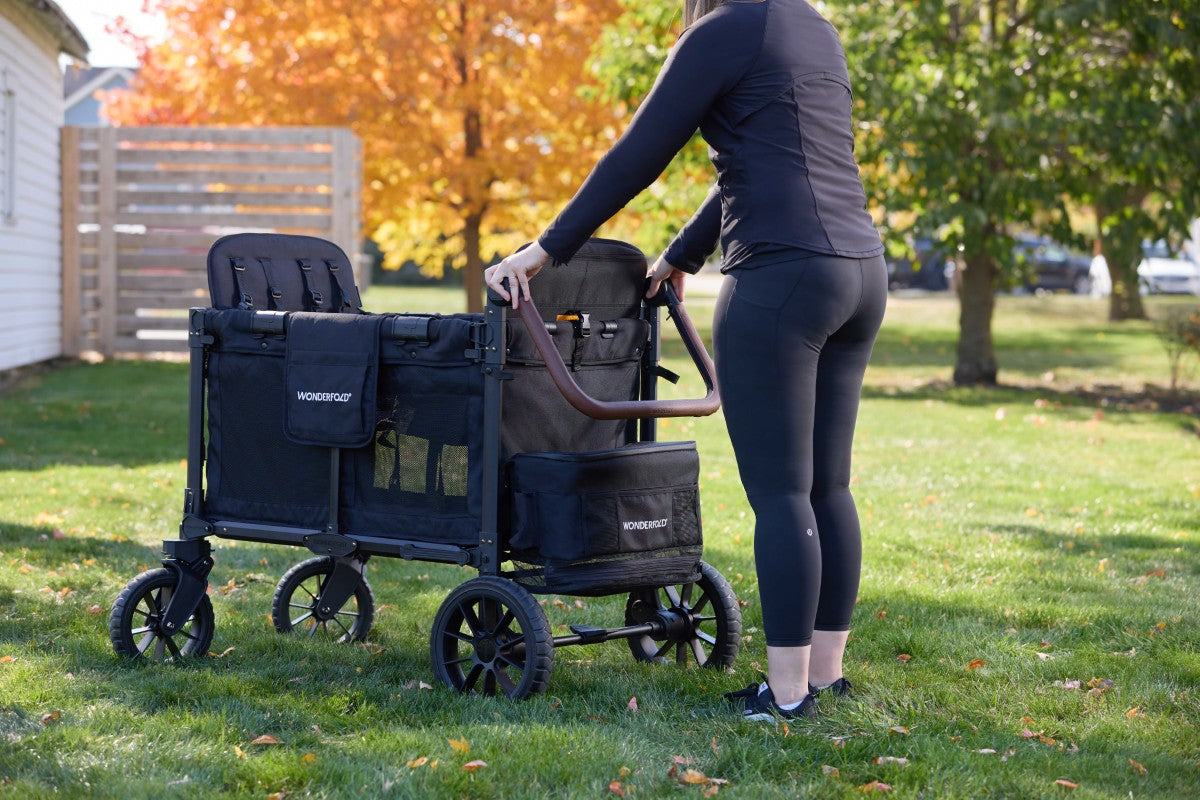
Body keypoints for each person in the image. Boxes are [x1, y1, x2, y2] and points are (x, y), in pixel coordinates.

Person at [484, 0, 886, 722]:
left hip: (783, 279)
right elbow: (763, 157)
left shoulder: (722, 30)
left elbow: (638, 154)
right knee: (829, 488)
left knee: (784, 495)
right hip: (860, 273)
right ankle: (824, 678)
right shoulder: (814, 27)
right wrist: (683, 254)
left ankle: (787, 698)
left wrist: (545, 249)